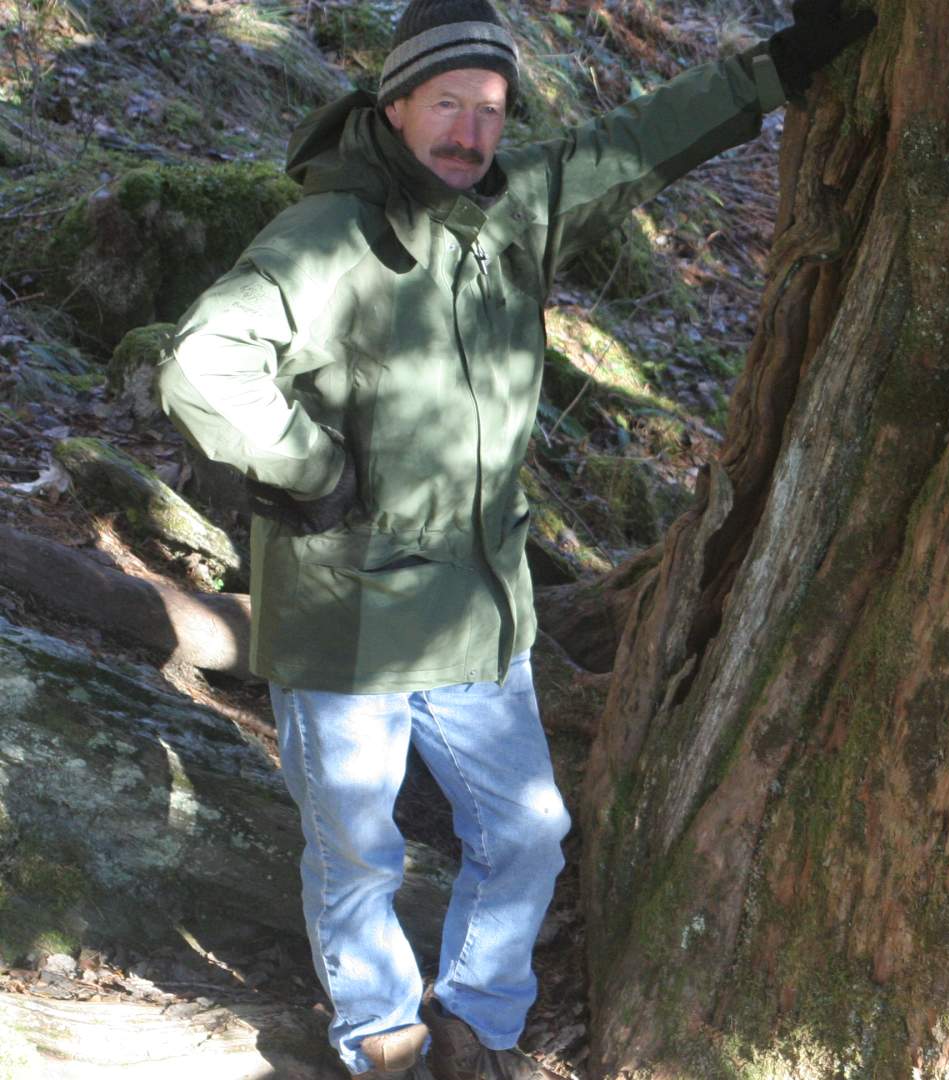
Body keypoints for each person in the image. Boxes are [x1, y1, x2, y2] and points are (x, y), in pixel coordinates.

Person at [155, 0, 875, 1076]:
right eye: (446, 103)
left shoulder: (511, 206)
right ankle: (383, 1037)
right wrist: (310, 467)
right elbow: (201, 362)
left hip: (478, 614)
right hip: (346, 619)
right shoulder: (326, 237)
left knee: (530, 834)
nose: (470, 131)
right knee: (357, 851)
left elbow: (634, 144)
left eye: (490, 108)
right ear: (394, 107)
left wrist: (773, 68)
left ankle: (478, 1024)